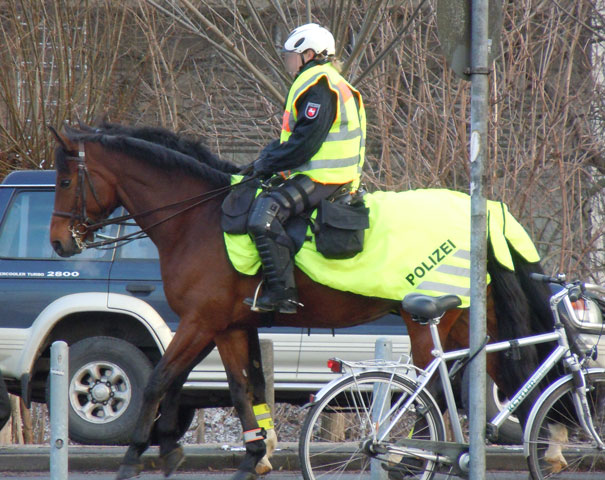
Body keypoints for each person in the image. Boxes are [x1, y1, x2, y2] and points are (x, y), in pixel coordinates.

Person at [244, 23, 366, 314]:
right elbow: (295, 139)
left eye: (292, 55)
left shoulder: (319, 86)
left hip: (326, 178)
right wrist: (264, 160)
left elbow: (304, 145)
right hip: (320, 174)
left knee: (264, 217)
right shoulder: (321, 81)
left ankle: (282, 294)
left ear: (309, 54)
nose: (288, 61)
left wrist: (267, 163)